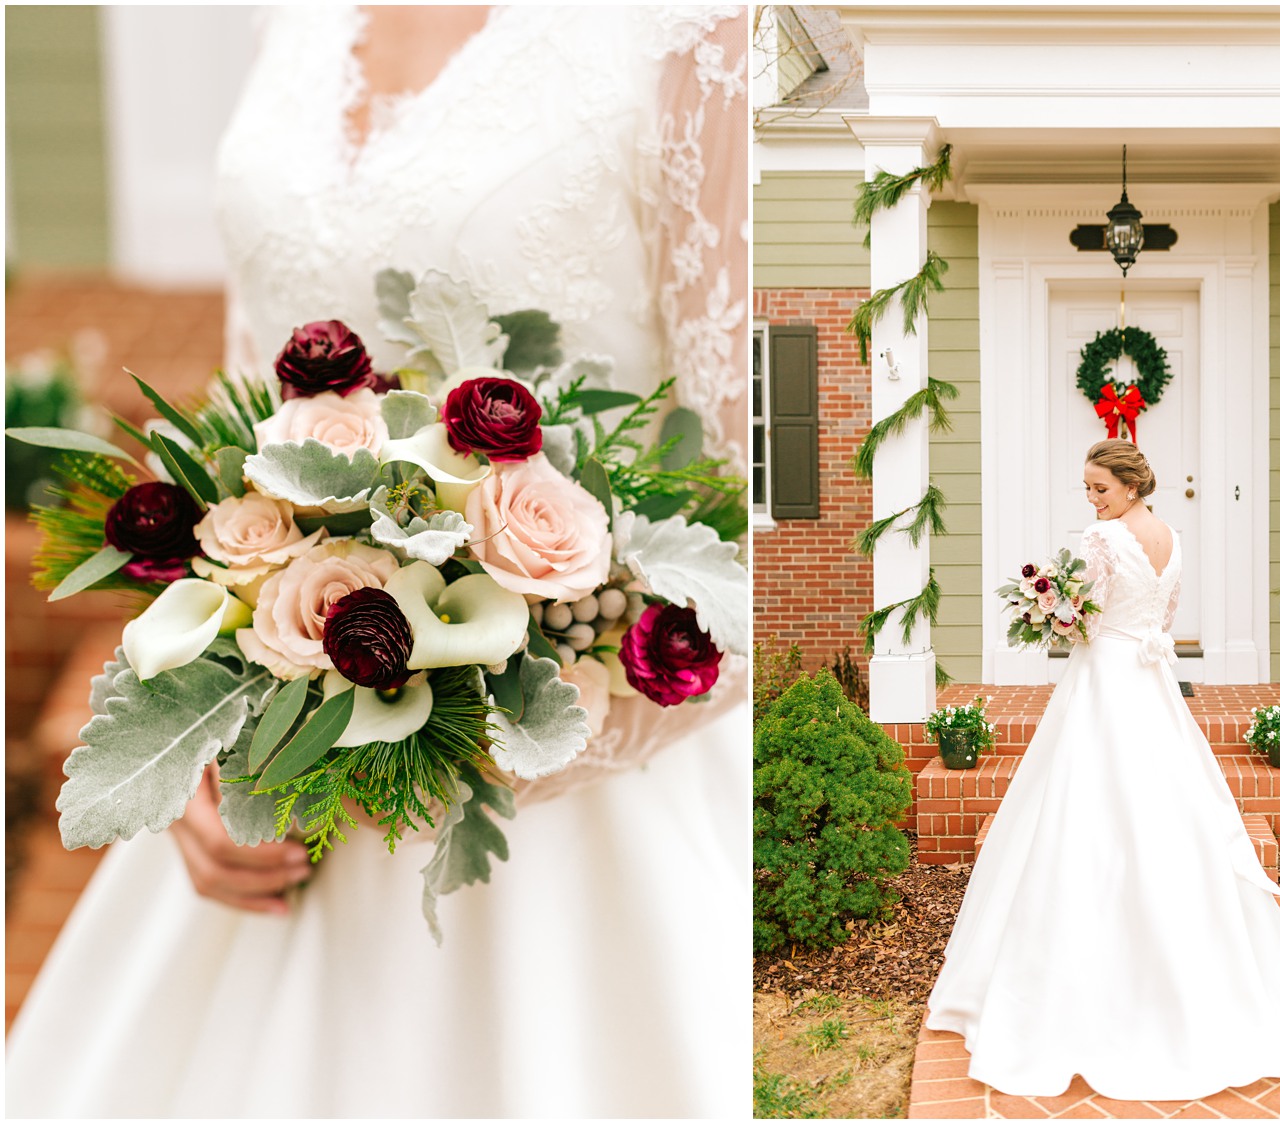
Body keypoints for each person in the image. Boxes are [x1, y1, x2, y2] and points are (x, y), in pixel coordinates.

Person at [5, 7, 749, 1117]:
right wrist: (199, 714)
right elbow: (254, 404)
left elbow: (763, 495)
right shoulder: (293, 21)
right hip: (286, 770)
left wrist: (474, 738)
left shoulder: (696, 31)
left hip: (577, 796)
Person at [924, 438, 1280, 1101]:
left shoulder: (1103, 537)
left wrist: (1056, 620)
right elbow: (1165, 616)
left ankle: (1072, 995)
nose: (1091, 498)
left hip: (1105, 678)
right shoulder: (1169, 536)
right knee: (1162, 802)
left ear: (1127, 486)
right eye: (1088, 489)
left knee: (1084, 807)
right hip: (1150, 676)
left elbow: (1082, 620)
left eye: (1098, 487)